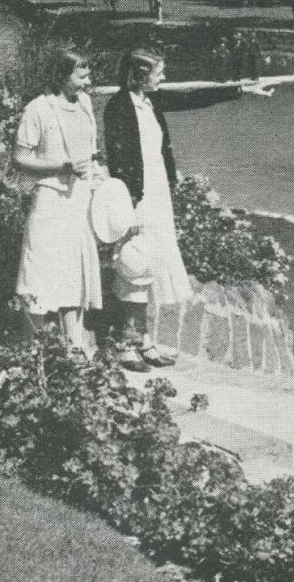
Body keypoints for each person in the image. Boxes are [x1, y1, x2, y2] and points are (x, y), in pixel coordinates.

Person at [104, 49, 274, 365]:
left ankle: (142, 339)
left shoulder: (150, 101)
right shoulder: (119, 107)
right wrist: (128, 202)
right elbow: (117, 160)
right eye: (158, 73)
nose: (163, 78)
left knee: (151, 262)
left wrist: (241, 90)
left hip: (157, 195)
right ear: (141, 74)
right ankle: (126, 341)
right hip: (136, 196)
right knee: (133, 261)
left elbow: (192, 97)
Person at [13, 50, 103, 355]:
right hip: (50, 198)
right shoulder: (38, 109)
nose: (88, 83)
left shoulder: (86, 105)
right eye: (82, 77)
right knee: (38, 267)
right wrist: (60, 167)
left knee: (75, 269)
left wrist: (99, 179)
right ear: (61, 76)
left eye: (88, 75)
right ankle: (31, 346)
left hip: (80, 198)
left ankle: (73, 344)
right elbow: (20, 159)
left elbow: (91, 153)